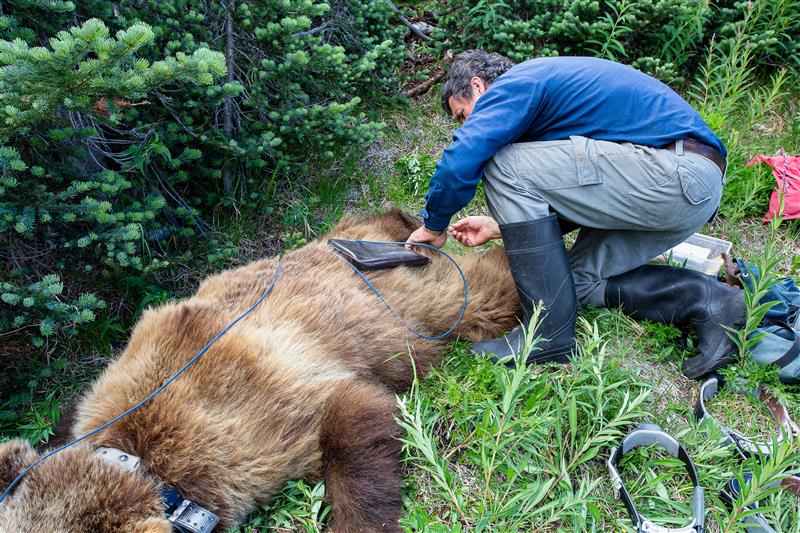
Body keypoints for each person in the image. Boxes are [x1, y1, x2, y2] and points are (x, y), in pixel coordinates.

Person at [405, 50, 744, 379]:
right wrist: (498, 225)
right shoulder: (550, 107)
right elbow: (587, 184)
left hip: (675, 173)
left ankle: (548, 335)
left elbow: (464, 158)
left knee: (502, 162)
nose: (466, 125)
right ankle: (712, 302)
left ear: (478, 86)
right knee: (574, 283)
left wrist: (434, 225)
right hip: (684, 193)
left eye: (464, 115)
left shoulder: (517, 82)